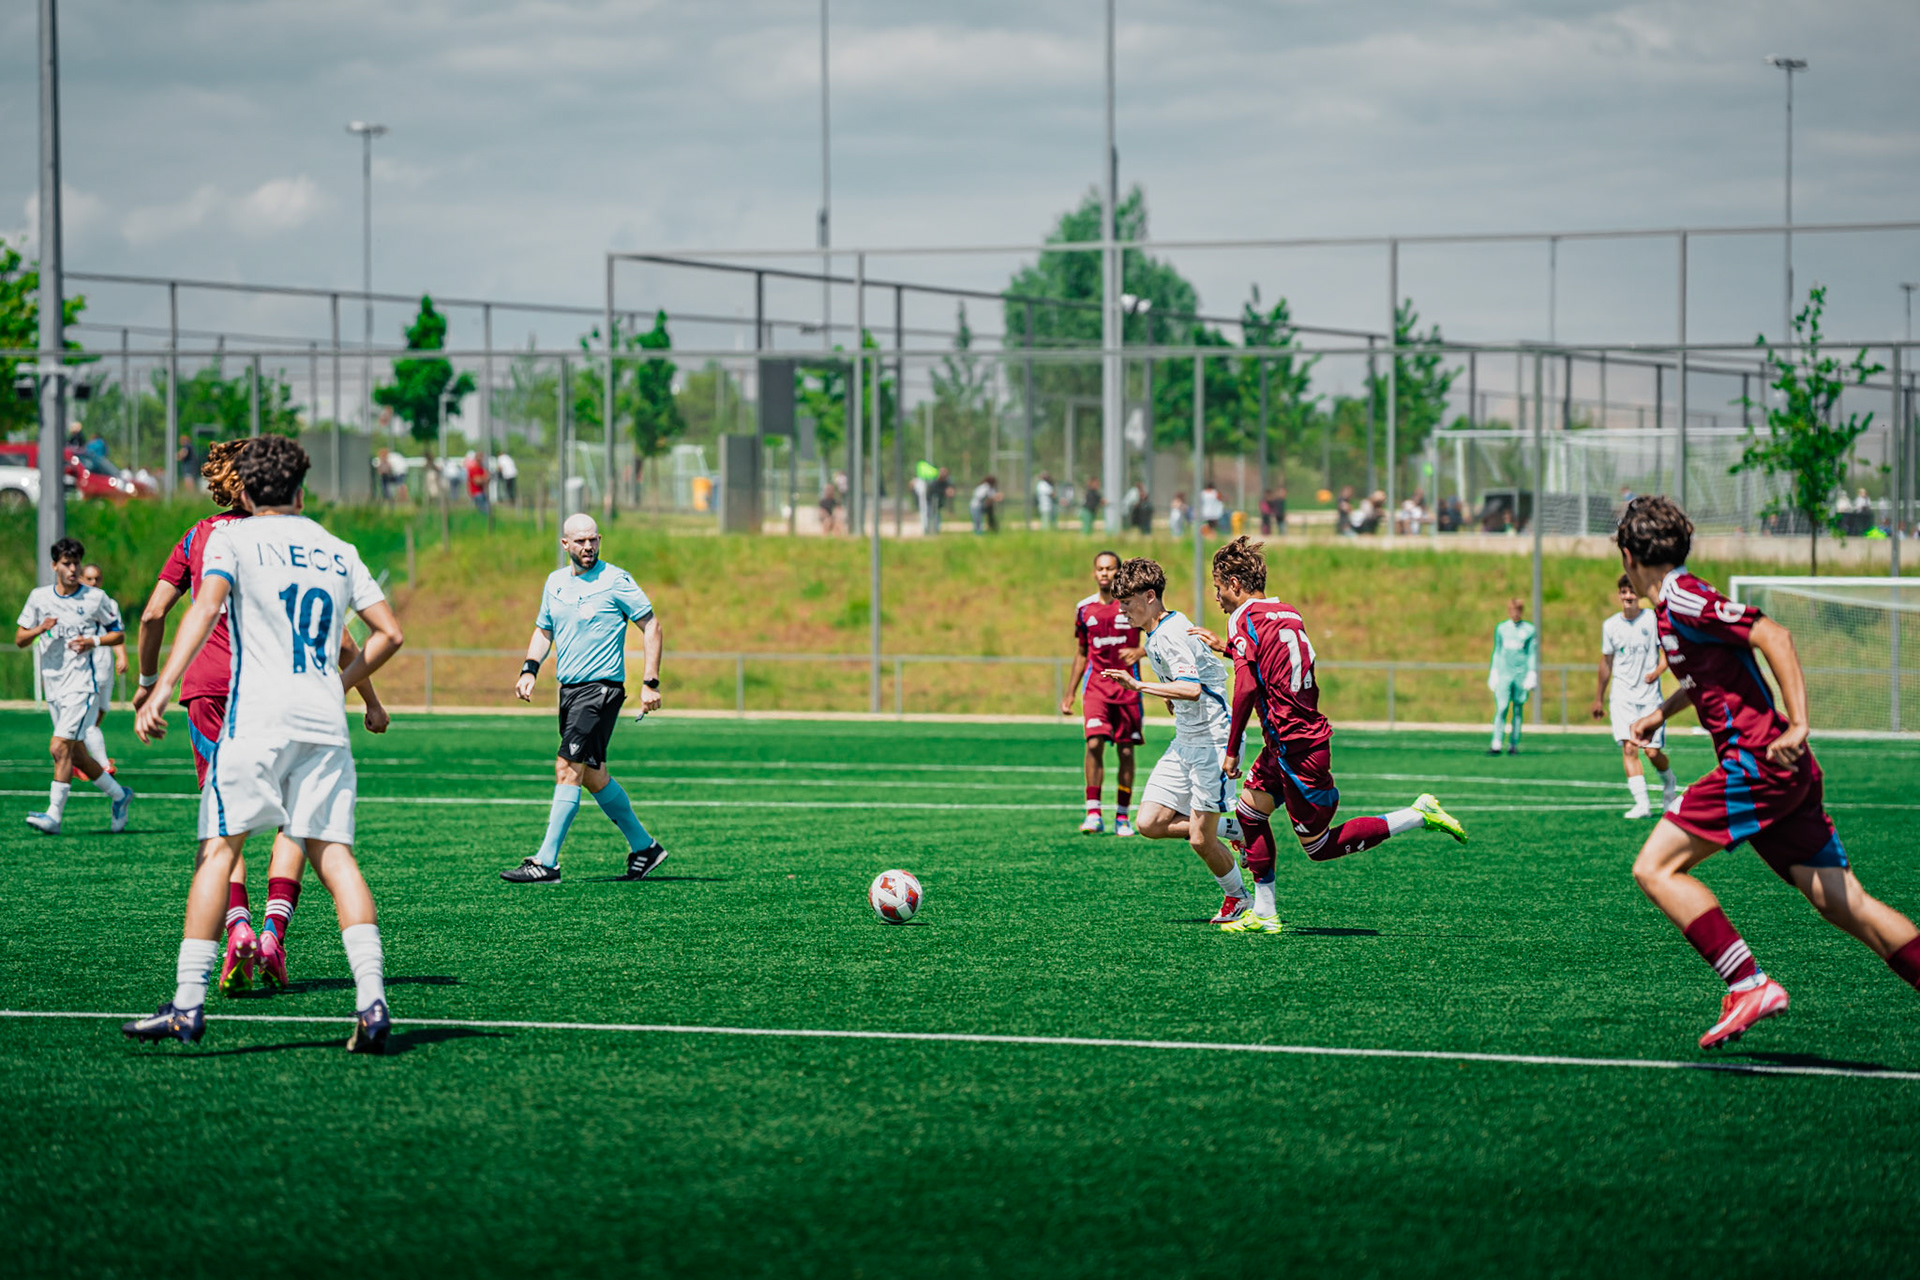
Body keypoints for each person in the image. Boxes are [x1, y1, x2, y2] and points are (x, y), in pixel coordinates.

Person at [125, 435, 406, 1051]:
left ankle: (187, 1005)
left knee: (219, 851)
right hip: (323, 721)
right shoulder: (338, 549)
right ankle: (373, 1002)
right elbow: (389, 633)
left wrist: (161, 686)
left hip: (255, 718)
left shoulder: (230, 537)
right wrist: (344, 683)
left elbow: (200, 611)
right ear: (302, 489)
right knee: (335, 858)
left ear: (247, 492)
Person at [1614, 495, 1920, 1050]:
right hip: (1783, 770)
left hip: (1757, 763)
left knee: (1655, 869)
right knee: (1844, 904)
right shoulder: (1675, 603)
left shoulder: (1683, 596)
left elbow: (1773, 635)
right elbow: (1711, 675)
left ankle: (1747, 983)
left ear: (1630, 555)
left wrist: (1799, 722)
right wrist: (1661, 711)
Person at [1194, 536, 1466, 934]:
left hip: (1296, 746)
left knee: (1318, 847)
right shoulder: (1286, 611)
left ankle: (1417, 814)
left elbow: (1248, 686)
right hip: (1289, 740)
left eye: (1218, 587)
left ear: (1235, 583)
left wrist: (1232, 749)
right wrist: (1230, 650)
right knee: (1250, 813)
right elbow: (1272, 662)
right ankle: (1265, 913)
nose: (1216, 597)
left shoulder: (1242, 617)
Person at [502, 513, 667, 883]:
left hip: (601, 690)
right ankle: (645, 848)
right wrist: (529, 668)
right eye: (580, 541)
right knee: (593, 776)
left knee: (566, 768)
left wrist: (650, 681)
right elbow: (543, 631)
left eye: (593, 540)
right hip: (570, 691)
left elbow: (652, 625)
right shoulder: (554, 582)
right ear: (565, 545)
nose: (588, 547)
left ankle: (546, 862)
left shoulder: (616, 580)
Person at [1099, 557, 1250, 924]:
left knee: (1200, 840)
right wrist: (1169, 696)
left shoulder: (1169, 634)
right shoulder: (1157, 634)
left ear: (1150, 597)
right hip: (1184, 740)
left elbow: (1193, 689)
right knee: (1149, 823)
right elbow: (1185, 685)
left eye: (1129, 603)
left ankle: (1239, 898)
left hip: (1213, 741)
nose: (1123, 611)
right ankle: (1237, 828)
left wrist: (1140, 686)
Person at [15, 538, 133, 835]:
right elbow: (20, 639)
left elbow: (117, 635)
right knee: (76, 754)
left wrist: (92, 641)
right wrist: (40, 629)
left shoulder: (95, 598)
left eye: (76, 563)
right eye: (66, 563)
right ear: (54, 565)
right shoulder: (39, 598)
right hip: (53, 684)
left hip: (82, 685)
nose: (72, 568)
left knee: (58, 747)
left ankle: (54, 816)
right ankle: (120, 796)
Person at [1059, 551, 1145, 837]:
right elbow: (1082, 652)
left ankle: (1122, 815)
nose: (1105, 573)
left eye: (1110, 568)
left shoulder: (1132, 605)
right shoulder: (1084, 609)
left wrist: (1140, 651)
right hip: (1096, 686)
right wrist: (1069, 693)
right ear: (1094, 573)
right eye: (1100, 569)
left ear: (1119, 572)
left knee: (1125, 750)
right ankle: (1093, 811)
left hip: (1128, 687)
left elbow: (1158, 634)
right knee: (1094, 743)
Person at [1591, 573, 1683, 818]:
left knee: (1651, 752)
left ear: (1638, 595)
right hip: (1622, 696)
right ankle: (1642, 804)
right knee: (1629, 748)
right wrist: (1599, 697)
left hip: (1650, 697)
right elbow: (1606, 662)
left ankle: (1669, 783)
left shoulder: (1652, 620)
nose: (1628, 596)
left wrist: (1658, 671)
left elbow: (1666, 653)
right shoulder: (1610, 626)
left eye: (1631, 591)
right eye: (1623, 592)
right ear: (1619, 595)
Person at [78, 564, 127, 777]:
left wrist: (121, 655)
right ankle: (102, 764)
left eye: (97, 579)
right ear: (81, 579)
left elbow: (116, 632)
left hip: (105, 663)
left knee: (100, 713)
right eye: (89, 579)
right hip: (86, 667)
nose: (93, 583)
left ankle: (80, 758)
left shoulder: (109, 603)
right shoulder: (75, 603)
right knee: (88, 720)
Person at [1487, 597, 1537, 755]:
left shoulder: (1529, 630)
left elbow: (1531, 653)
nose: (1515, 613)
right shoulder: (1502, 629)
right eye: (1513, 610)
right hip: (1504, 674)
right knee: (1501, 708)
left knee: (1517, 709)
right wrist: (1494, 671)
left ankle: (1513, 743)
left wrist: (1532, 672)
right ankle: (1496, 743)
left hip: (1520, 674)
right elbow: (1498, 651)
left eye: (1518, 610)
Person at [465, 451, 491, 515]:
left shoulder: (483, 469)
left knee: (488, 510)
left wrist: (483, 478)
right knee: (485, 511)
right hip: (476, 493)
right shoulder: (473, 469)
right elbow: (477, 481)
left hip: (483, 492)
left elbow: (488, 478)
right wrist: (484, 478)